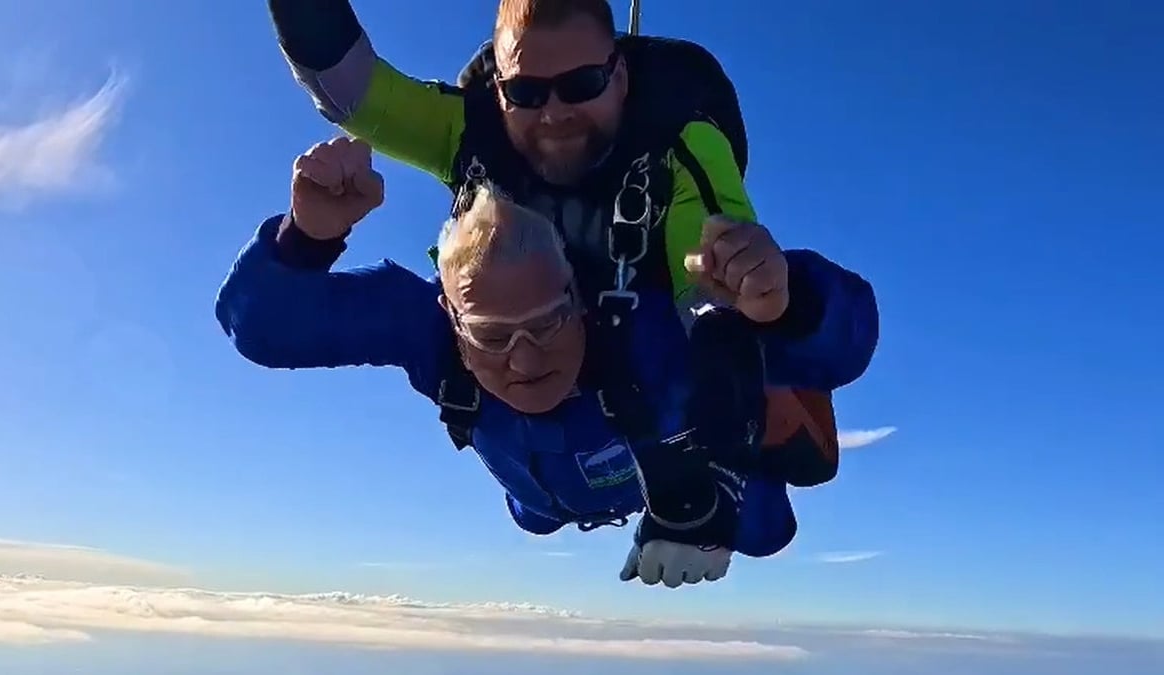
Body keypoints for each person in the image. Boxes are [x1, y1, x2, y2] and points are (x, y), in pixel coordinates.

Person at [266, 0, 880, 489]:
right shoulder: (471, 132)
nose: (554, 112)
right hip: (528, 387)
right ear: (500, 88)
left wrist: (767, 300)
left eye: (582, 83)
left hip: (647, 355)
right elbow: (348, 88)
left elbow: (708, 292)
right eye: (528, 93)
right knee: (532, 507)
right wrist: (310, 234)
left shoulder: (678, 146)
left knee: (762, 507)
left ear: (620, 75)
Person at [215, 137, 876, 587]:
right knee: (533, 515)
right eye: (492, 335)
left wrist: (786, 299)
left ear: (579, 298)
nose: (526, 357)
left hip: (666, 452)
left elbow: (846, 339)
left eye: (547, 321)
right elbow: (262, 326)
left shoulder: (634, 328)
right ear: (451, 315)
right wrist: (307, 235)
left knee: (765, 529)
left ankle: (775, 417)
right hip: (539, 487)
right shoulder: (428, 332)